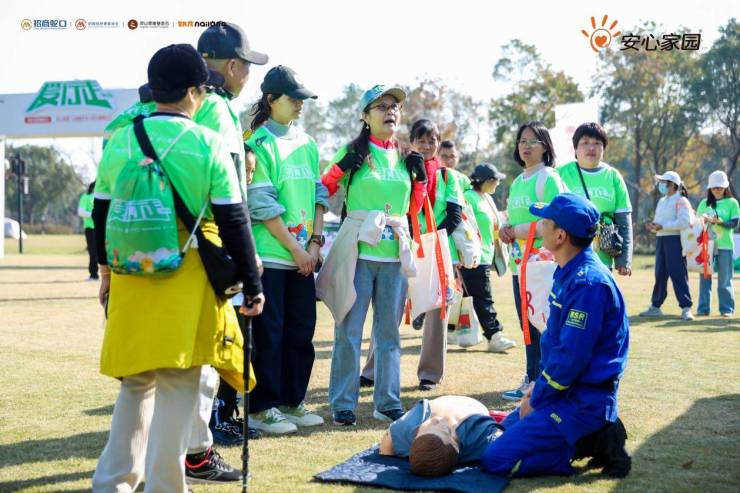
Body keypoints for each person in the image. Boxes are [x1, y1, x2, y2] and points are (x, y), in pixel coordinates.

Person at [90, 44, 264, 493]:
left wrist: (105, 273)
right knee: (179, 383)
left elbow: (100, 213)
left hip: (130, 275)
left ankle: (112, 483)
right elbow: (234, 219)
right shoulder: (207, 143)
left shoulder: (122, 138)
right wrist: (252, 283)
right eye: (203, 91)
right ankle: (165, 487)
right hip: (186, 276)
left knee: (136, 383)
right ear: (192, 92)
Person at [482, 193, 630, 478]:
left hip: (581, 400)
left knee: (495, 460)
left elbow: (570, 358)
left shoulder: (588, 284)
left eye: (545, 221)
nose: (538, 225)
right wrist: (537, 388)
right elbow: (556, 346)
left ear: (560, 235)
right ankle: (585, 435)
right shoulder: (567, 271)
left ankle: (586, 442)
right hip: (563, 392)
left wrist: (537, 396)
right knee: (497, 433)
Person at [184, 22, 268, 468]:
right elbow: (228, 193)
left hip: (176, 245)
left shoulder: (184, 105)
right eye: (247, 67)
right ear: (232, 66)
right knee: (209, 350)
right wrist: (244, 255)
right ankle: (197, 451)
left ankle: (183, 446)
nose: (248, 76)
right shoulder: (218, 109)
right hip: (211, 246)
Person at [318, 85, 427, 426]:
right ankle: (343, 403)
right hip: (358, 252)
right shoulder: (352, 151)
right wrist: (340, 168)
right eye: (381, 106)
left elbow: (414, 209)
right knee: (349, 331)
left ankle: (388, 402)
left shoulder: (406, 156)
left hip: (394, 255)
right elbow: (323, 189)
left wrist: (421, 180)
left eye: (394, 106)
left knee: (389, 334)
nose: (390, 111)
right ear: (365, 116)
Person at [245, 65, 328, 434]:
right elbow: (261, 204)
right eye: (293, 98)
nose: (300, 104)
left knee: (301, 333)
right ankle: (262, 408)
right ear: (271, 99)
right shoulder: (256, 143)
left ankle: (292, 402)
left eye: (302, 99)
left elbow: (319, 194)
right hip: (273, 256)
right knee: (269, 336)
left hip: (304, 257)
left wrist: (315, 242)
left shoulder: (308, 144)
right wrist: (297, 250)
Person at [360, 119, 458, 392]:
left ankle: (430, 374)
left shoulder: (448, 176)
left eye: (432, 141)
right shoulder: (401, 168)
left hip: (434, 250)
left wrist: (427, 238)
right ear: (412, 142)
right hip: (401, 246)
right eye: (421, 140)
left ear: (438, 143)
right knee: (388, 310)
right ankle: (372, 370)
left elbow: (454, 215)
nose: (426, 146)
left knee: (437, 313)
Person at [498, 121, 568, 401]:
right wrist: (506, 230)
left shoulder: (548, 178)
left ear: (545, 147)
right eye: (522, 141)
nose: (526, 146)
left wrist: (516, 231)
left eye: (533, 141)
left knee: (545, 323)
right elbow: (514, 219)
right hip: (521, 265)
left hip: (544, 265)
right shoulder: (518, 181)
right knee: (526, 321)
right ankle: (533, 378)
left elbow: (553, 220)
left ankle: (548, 382)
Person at [557, 122, 633, 275]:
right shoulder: (559, 174)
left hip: (602, 262)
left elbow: (624, 221)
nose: (591, 148)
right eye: (585, 143)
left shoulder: (613, 176)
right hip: (567, 259)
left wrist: (624, 259)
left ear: (603, 148)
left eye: (597, 143)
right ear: (575, 148)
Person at [461, 164, 516, 352]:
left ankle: (466, 334)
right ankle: (494, 335)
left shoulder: (487, 198)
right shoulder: (469, 197)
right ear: (486, 181)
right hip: (474, 256)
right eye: (495, 180)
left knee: (475, 297)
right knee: (483, 298)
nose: (498, 183)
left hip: (485, 255)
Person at [379, 395, 502, 476]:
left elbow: (387, 443)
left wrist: (387, 454)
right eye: (445, 430)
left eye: (430, 425)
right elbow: (503, 441)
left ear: (416, 434)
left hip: (438, 404)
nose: (438, 420)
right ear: (455, 443)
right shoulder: (478, 435)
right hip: (472, 406)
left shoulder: (408, 426)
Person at [639, 171, 694, 320]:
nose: (661, 185)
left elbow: (685, 222)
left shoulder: (682, 201)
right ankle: (655, 306)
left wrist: (663, 226)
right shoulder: (662, 201)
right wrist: (653, 226)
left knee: (678, 273)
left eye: (664, 182)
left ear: (673, 185)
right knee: (660, 274)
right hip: (661, 239)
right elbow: (660, 223)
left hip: (675, 240)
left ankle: (686, 308)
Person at [696, 170, 739, 317]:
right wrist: (703, 220)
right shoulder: (704, 203)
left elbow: (734, 223)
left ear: (725, 187)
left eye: (720, 187)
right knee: (705, 278)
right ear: (710, 188)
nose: (717, 190)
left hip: (725, 246)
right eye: (714, 187)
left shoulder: (732, 203)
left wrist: (720, 222)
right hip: (706, 246)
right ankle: (703, 309)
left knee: (724, 279)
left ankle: (727, 309)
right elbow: (697, 224)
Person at [78, 181, 98, 280]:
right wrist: (94, 214)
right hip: (90, 228)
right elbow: (81, 212)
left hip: (101, 228)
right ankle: (93, 274)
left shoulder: (103, 198)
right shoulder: (86, 197)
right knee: (93, 251)